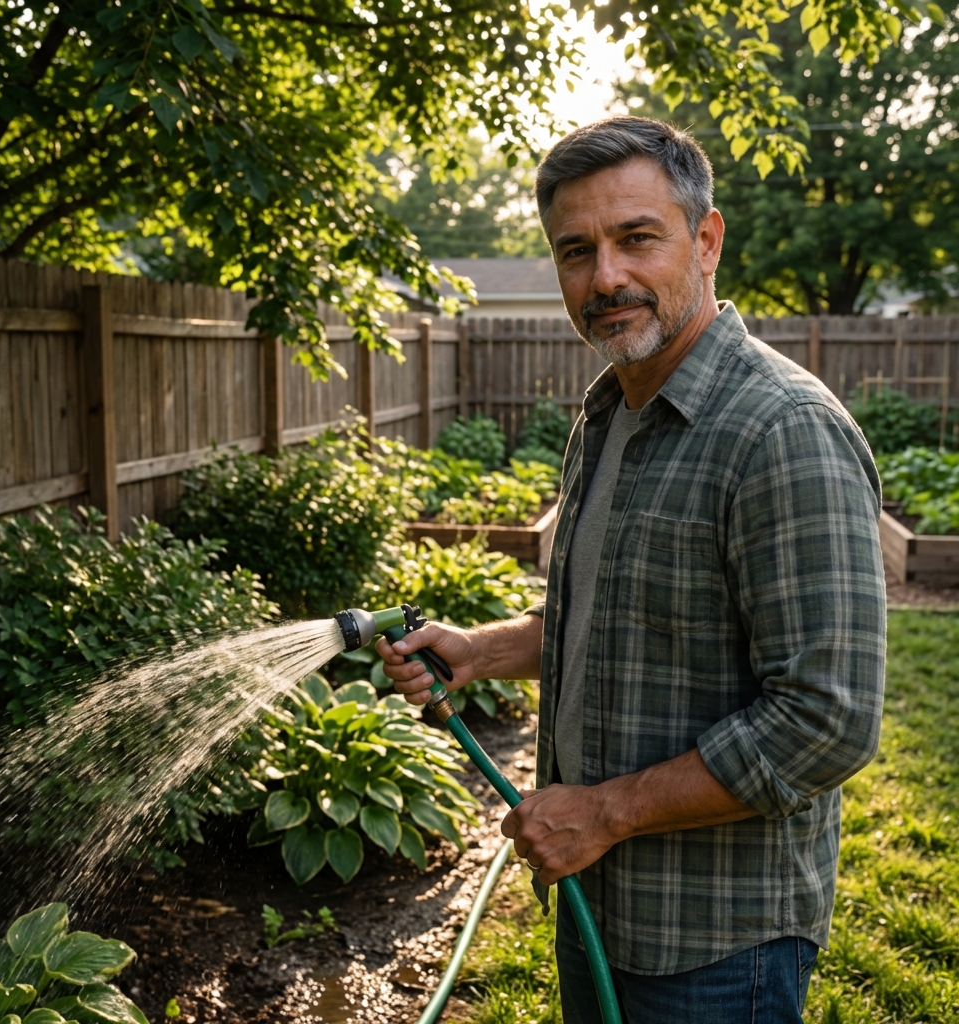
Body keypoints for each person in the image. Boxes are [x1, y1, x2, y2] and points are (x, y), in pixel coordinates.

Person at [375, 116, 886, 1024]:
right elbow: (612, 619)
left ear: (707, 240)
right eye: (577, 251)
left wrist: (605, 812)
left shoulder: (781, 432)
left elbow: (828, 720)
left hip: (716, 945)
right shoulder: (612, 412)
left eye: (636, 238)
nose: (605, 276)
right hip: (598, 906)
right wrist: (479, 651)